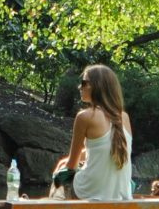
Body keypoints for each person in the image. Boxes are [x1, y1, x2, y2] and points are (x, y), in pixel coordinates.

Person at [50, 64, 134, 200]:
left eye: (84, 83)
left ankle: (55, 202)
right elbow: (104, 148)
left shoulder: (85, 116)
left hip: (88, 193)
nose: (80, 87)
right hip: (122, 196)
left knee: (59, 176)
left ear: (97, 86)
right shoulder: (124, 117)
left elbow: (71, 165)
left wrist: (60, 170)